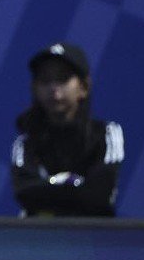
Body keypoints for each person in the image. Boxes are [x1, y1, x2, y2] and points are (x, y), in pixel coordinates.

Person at [11, 42, 124, 217]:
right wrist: (76, 185)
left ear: (84, 87)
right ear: (34, 88)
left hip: (93, 239)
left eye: (63, 79)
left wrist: (49, 187)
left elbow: (101, 194)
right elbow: (25, 194)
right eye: (45, 80)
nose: (53, 89)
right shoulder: (25, 143)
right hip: (39, 239)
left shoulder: (107, 133)